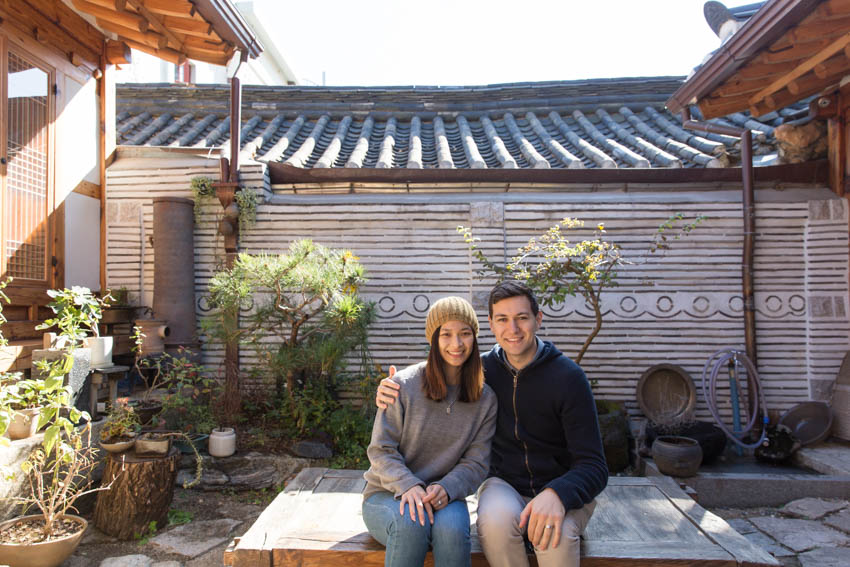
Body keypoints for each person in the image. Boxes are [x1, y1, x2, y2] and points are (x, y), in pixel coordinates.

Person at [377, 281, 607, 567]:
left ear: (538, 319)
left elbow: (595, 466)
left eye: (522, 318)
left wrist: (558, 494)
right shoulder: (481, 371)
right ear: (491, 324)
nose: (512, 329)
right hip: (505, 485)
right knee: (494, 525)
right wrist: (389, 386)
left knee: (552, 539)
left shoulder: (569, 379)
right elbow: (433, 371)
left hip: (562, 488)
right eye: (502, 319)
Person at [363, 296, 498, 567]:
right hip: (388, 493)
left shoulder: (486, 399)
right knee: (411, 523)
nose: (456, 344)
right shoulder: (402, 385)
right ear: (433, 339)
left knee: (450, 530)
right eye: (446, 334)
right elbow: (381, 449)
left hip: (447, 496)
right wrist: (408, 485)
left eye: (465, 334)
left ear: (475, 338)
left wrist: (446, 488)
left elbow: (477, 462)